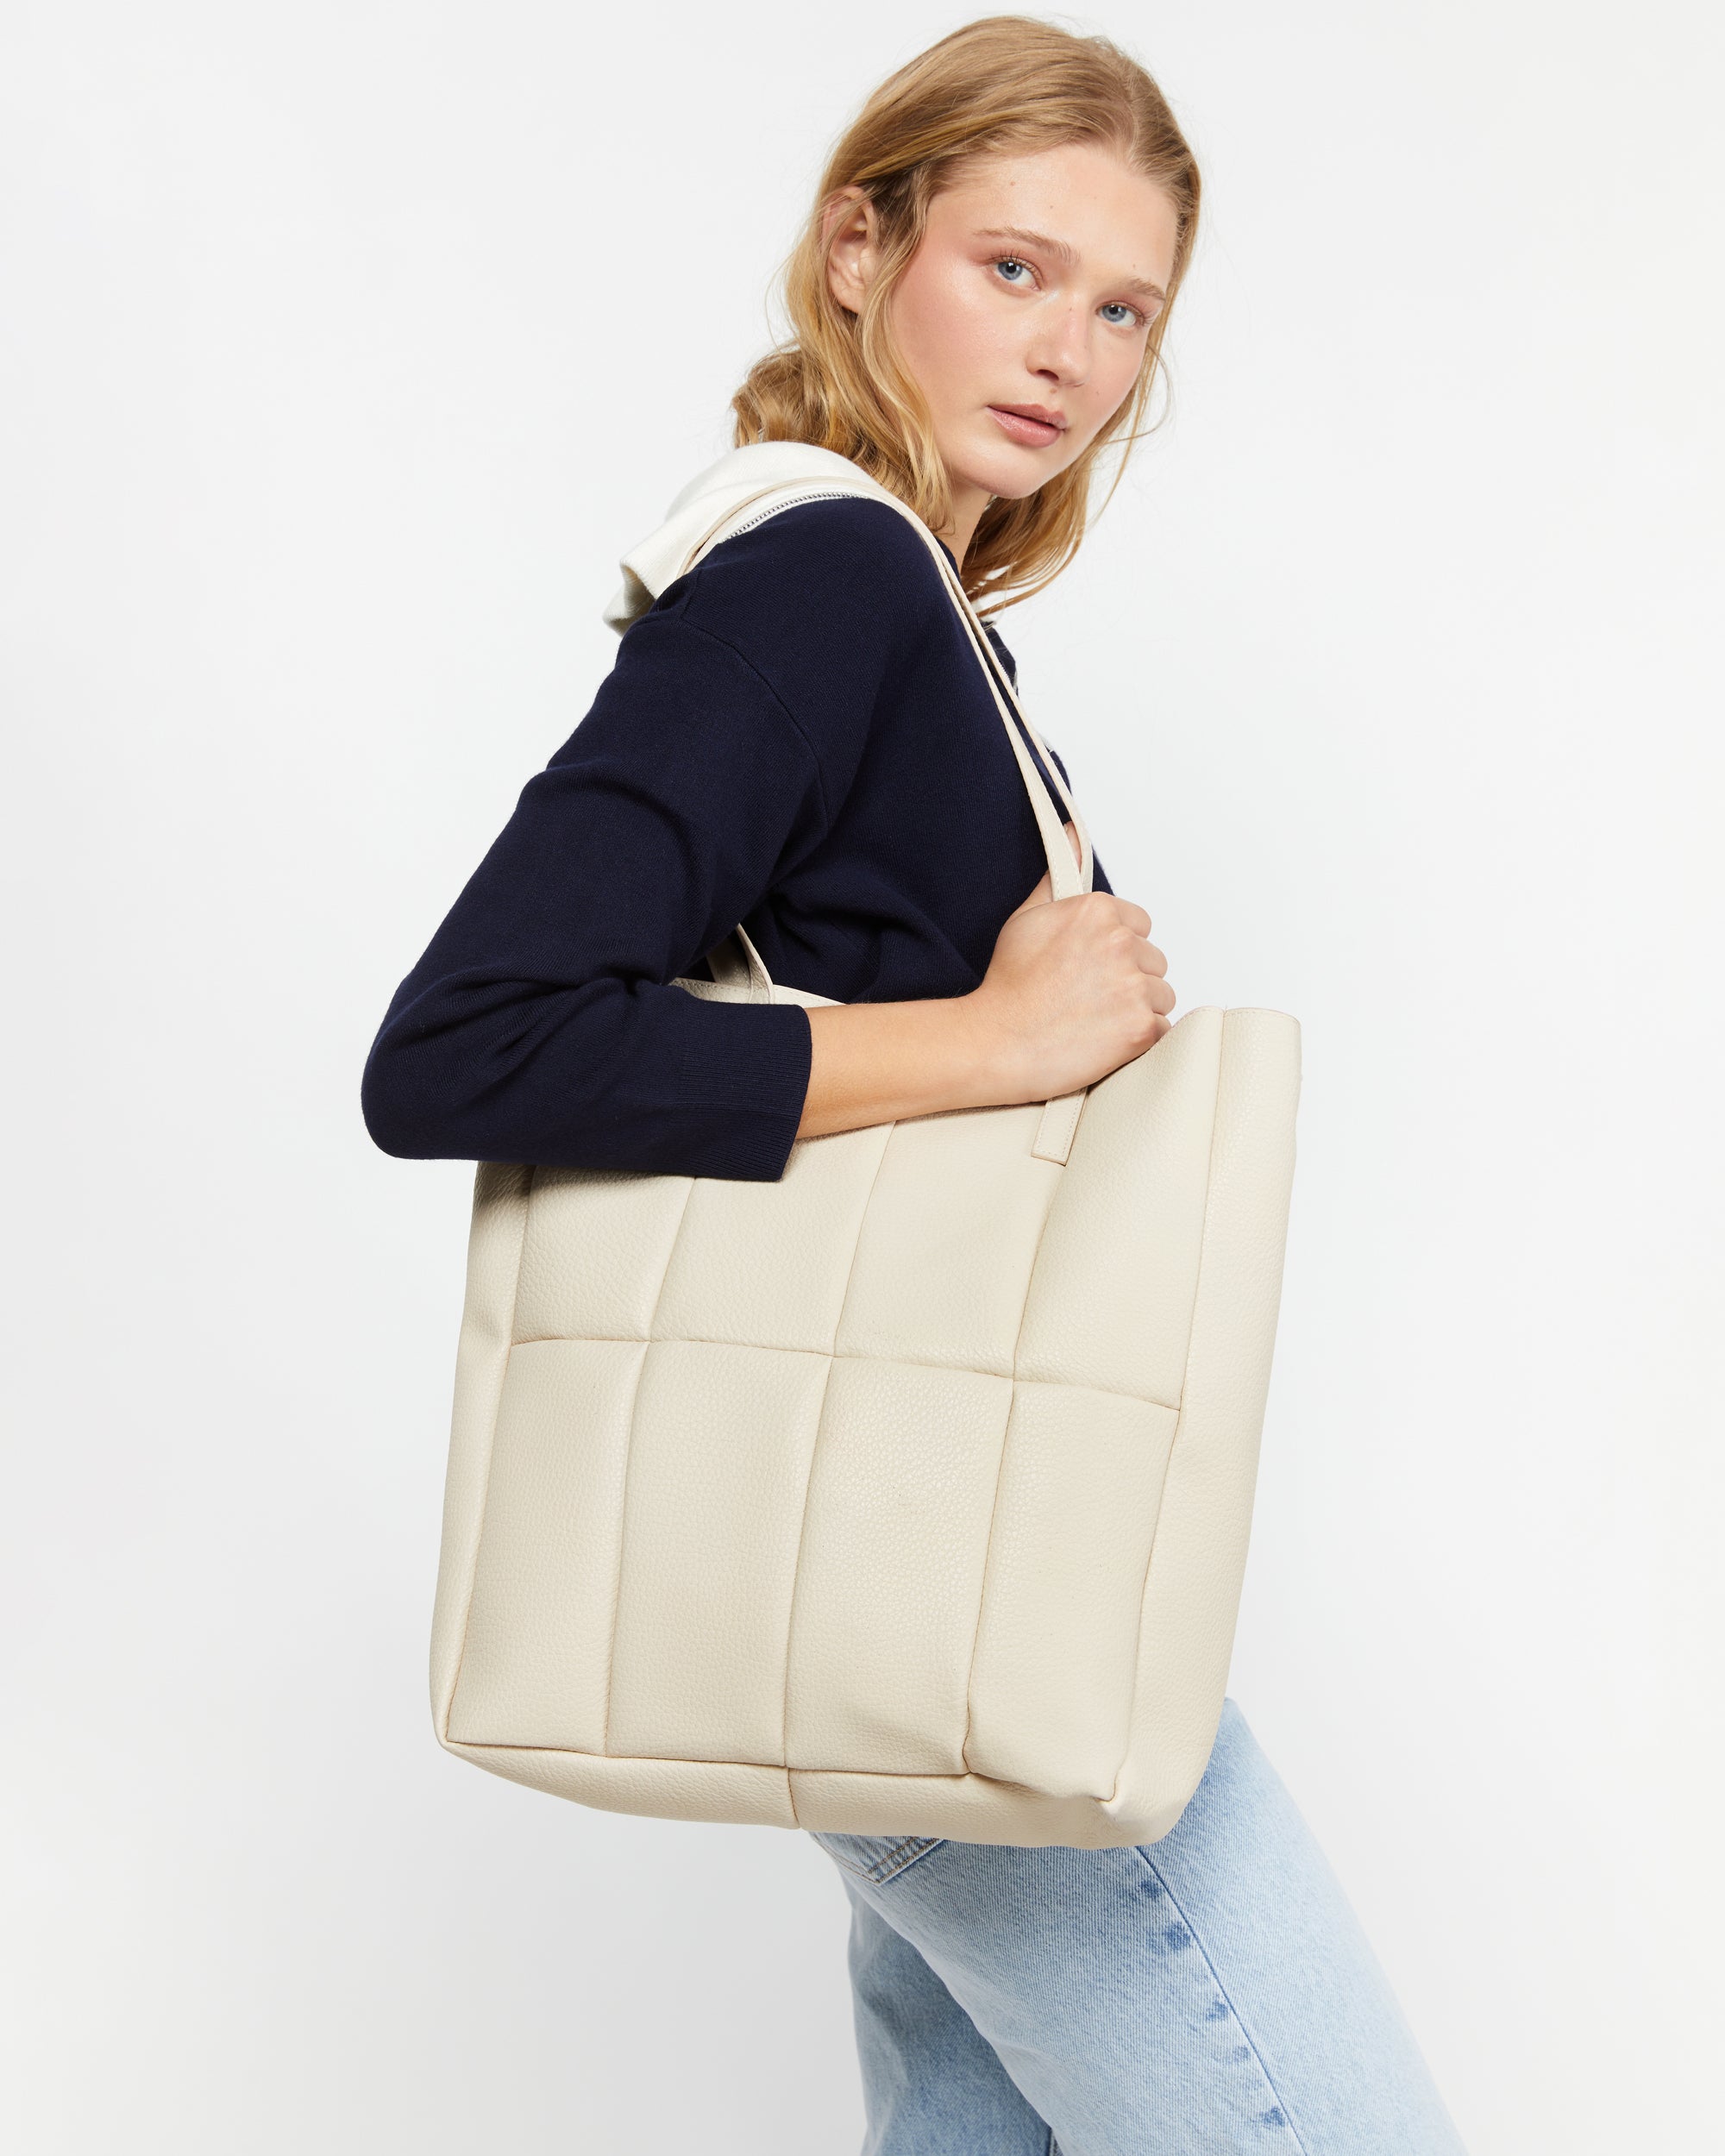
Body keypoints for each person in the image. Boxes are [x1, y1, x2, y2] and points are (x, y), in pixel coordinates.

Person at [361, 16, 1469, 2153]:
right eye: (1013, 267)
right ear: (858, 250)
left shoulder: (923, 618)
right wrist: (997, 1042)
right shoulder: (829, 574)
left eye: (1124, 308)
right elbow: (467, 1041)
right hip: (968, 1608)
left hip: (939, 1585)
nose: (1067, 351)